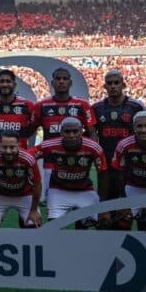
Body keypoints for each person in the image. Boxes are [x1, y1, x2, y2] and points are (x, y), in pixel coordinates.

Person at [91, 69, 146, 228]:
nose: (113, 86)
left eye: (116, 83)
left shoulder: (136, 106)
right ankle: (108, 241)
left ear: (124, 85)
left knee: (136, 209)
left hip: (131, 166)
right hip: (107, 167)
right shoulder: (97, 108)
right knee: (107, 209)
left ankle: (144, 239)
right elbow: (92, 136)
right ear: (104, 86)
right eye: (109, 83)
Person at [33, 67, 96, 202]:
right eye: (58, 78)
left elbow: (92, 134)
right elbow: (29, 131)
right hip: (51, 162)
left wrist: (89, 154)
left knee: (79, 197)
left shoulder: (82, 105)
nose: (61, 81)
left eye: (65, 78)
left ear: (70, 83)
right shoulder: (42, 105)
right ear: (52, 83)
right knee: (52, 200)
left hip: (77, 160)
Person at [29, 117, 105, 228]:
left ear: (81, 131)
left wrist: (102, 201)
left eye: (75, 131)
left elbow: (103, 173)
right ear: (61, 132)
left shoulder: (93, 147)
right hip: (58, 190)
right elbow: (27, 156)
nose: (71, 135)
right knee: (54, 227)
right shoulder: (49, 145)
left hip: (85, 190)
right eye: (67, 132)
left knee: (95, 222)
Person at [0, 130, 43, 228]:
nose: (8, 151)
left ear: (18, 145)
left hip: (24, 195)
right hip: (0, 194)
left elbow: (37, 184)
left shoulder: (28, 158)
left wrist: (34, 210)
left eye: (12, 147)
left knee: (34, 224)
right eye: (4, 147)